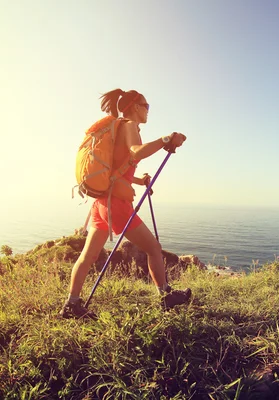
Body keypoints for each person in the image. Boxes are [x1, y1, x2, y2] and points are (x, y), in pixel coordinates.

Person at [59, 89, 191, 319]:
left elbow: (117, 169)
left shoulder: (116, 128)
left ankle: (71, 305)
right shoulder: (129, 125)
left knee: (87, 256)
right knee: (153, 249)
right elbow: (136, 153)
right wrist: (166, 140)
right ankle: (165, 296)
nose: (148, 109)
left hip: (101, 204)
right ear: (135, 106)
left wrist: (139, 180)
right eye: (146, 105)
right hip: (117, 206)